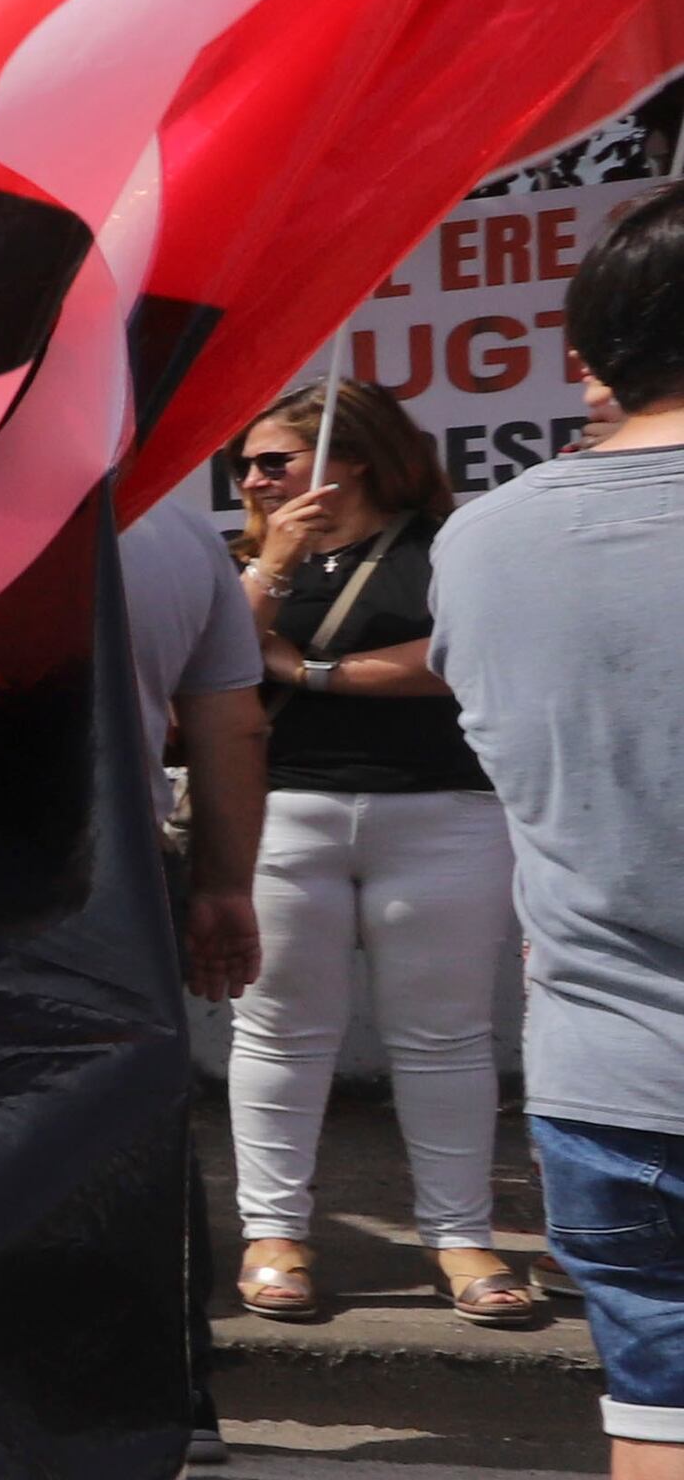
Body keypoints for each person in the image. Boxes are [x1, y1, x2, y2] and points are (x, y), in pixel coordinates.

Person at [433, 184, 684, 1480]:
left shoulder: (481, 539)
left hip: (608, 1077)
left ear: (585, 359)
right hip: (598, 1065)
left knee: (662, 1464)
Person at [225, 382, 538, 1325]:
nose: (252, 478)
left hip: (441, 810)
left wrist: (312, 670)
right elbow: (217, 667)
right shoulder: (246, 558)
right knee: (278, 1031)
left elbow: (457, 657)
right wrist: (273, 561)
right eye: (242, 465)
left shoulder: (443, 545)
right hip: (284, 811)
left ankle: (461, 1238)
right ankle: (273, 1232)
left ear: (348, 458)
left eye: (273, 461)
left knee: (444, 1037)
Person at [116, 484, 269, 1458]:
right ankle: (171, 1388)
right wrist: (222, 882)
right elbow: (229, 726)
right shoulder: (171, 519)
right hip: (115, 869)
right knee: (135, 1125)